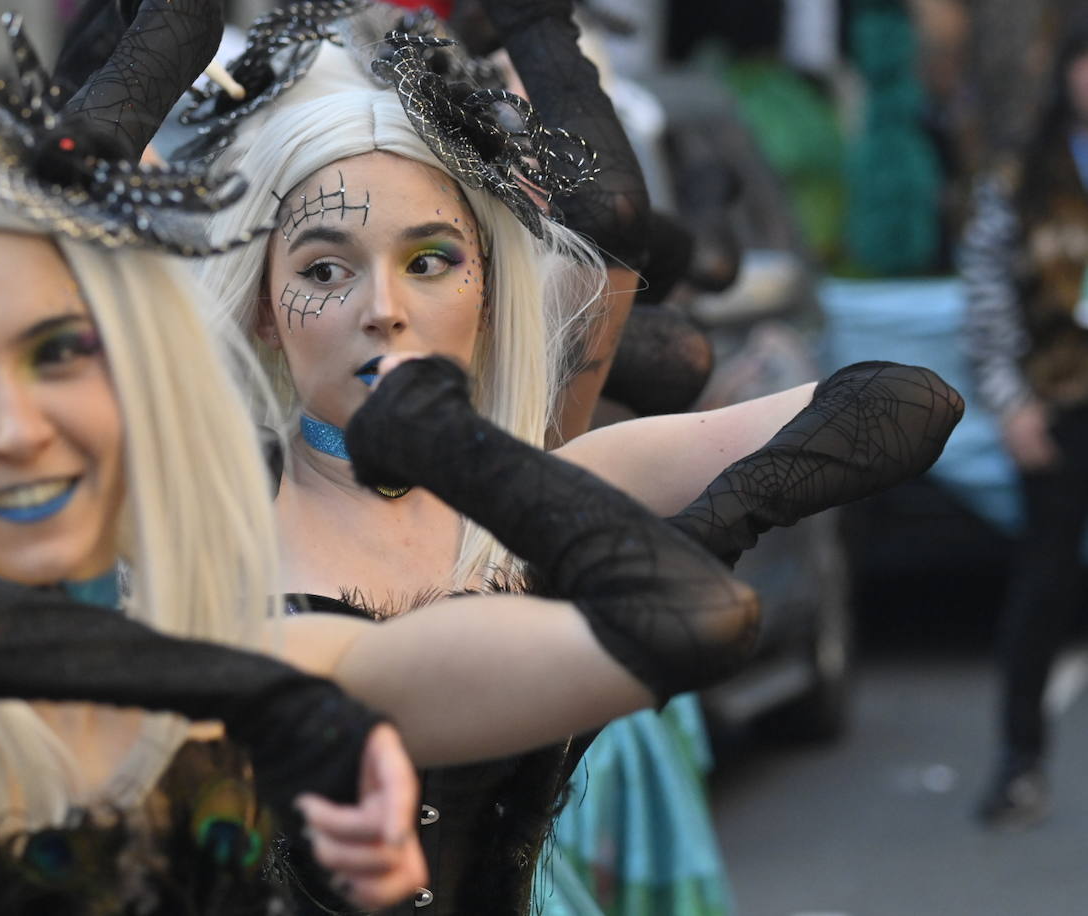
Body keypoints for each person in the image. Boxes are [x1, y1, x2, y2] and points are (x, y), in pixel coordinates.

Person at [0, 4, 776, 912]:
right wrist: (271, 702)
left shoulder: (288, 658)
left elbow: (689, 620)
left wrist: (444, 439)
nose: (17, 426)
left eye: (62, 353)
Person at [185, 10, 964, 915]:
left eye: (430, 261)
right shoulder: (200, 539)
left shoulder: (560, 491)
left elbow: (908, 399)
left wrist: (701, 530)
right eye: (325, 270)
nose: (383, 309)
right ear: (265, 312)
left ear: (486, 289)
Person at [960, 15, 1088, 830]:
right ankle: (1019, 764)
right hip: (1059, 404)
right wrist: (1011, 403)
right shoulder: (1021, 177)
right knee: (1042, 588)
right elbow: (985, 296)